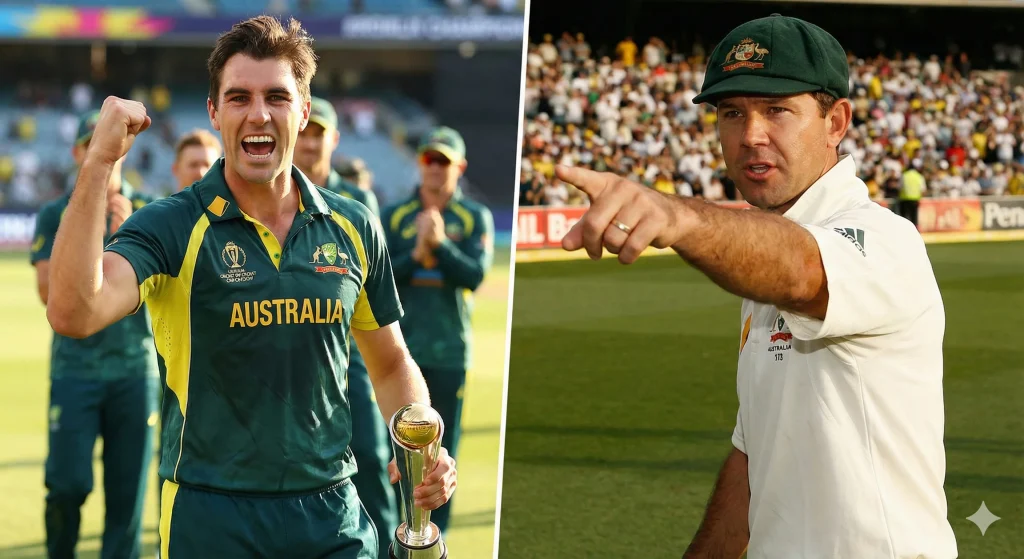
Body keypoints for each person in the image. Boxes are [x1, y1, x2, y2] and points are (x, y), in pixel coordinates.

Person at [44, 16, 456, 559]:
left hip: (332, 513)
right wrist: (99, 163)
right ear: (214, 112)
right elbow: (75, 311)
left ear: (304, 110)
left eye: (277, 97)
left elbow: (389, 363)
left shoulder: (353, 225)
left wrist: (422, 442)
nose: (258, 114)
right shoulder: (170, 225)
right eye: (238, 98)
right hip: (210, 514)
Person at [555, 14, 957, 559]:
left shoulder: (886, 241)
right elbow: (754, 457)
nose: (751, 136)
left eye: (778, 110)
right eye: (732, 113)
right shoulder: (761, 261)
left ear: (836, 122)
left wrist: (681, 218)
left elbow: (801, 269)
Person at [30, 110, 159, 559]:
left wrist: (127, 238)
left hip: (134, 370)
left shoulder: (150, 210)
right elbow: (51, 294)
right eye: (91, 143)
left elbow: (162, 292)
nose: (101, 151)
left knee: (127, 497)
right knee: (67, 485)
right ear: (78, 152)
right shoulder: (55, 213)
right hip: (76, 369)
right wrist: (100, 240)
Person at [294, 95, 397, 559]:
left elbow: (375, 287)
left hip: (353, 354)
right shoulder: (270, 197)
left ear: (334, 139)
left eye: (320, 133)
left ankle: (392, 545)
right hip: (298, 353)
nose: (311, 141)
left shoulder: (358, 204)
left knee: (373, 460)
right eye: (306, 131)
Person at [381, 126, 494, 534]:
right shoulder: (393, 215)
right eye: (429, 159)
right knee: (394, 462)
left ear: (459, 167)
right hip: (398, 358)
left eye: (443, 161)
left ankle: (433, 541)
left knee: (441, 460)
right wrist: (416, 253)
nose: (434, 167)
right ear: (419, 162)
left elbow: (475, 276)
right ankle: (396, 537)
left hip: (449, 353)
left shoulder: (474, 216)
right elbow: (379, 282)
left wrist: (441, 245)